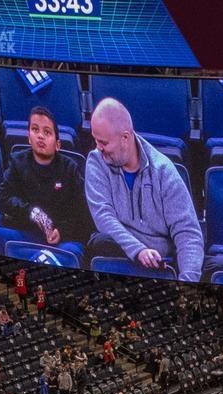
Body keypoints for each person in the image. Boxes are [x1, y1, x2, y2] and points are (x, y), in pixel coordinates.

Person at [82, 97, 206, 281]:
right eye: (95, 140)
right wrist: (138, 250)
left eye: (104, 142)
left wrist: (188, 279)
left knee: (214, 267)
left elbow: (187, 232)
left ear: (125, 137)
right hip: (119, 248)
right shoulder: (96, 161)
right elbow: (103, 216)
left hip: (161, 259)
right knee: (101, 242)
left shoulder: (163, 171)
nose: (98, 148)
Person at [0, 105, 93, 253]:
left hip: (61, 239)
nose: (40, 136)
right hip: (25, 232)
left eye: (47, 132)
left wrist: (61, 231)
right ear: (28, 137)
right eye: (35, 130)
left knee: (72, 251)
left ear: (58, 144)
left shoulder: (70, 169)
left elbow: (81, 213)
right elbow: (4, 198)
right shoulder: (17, 161)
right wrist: (32, 211)